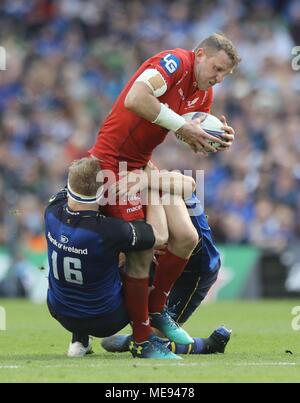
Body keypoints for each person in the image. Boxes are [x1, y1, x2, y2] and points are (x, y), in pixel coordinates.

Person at [89, 33, 240, 356]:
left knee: (186, 236)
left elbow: (186, 137)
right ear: (200, 55)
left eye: (225, 75)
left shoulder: (204, 95)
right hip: (112, 162)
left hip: (142, 166)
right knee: (146, 247)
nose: (219, 78)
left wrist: (211, 139)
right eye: (217, 69)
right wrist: (185, 128)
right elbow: (136, 98)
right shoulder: (174, 63)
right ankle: (143, 341)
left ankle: (157, 311)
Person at [45, 157, 196, 359]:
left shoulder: (52, 209)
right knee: (142, 255)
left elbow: (77, 184)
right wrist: (148, 183)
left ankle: (79, 337)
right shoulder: (109, 230)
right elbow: (159, 236)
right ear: (104, 192)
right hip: (107, 321)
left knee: (92, 264)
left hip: (59, 312)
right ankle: (146, 332)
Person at [101, 193, 232, 356]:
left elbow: (165, 235)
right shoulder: (136, 194)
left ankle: (207, 345)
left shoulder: (163, 190)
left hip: (195, 270)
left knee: (158, 335)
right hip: (165, 259)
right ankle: (136, 333)